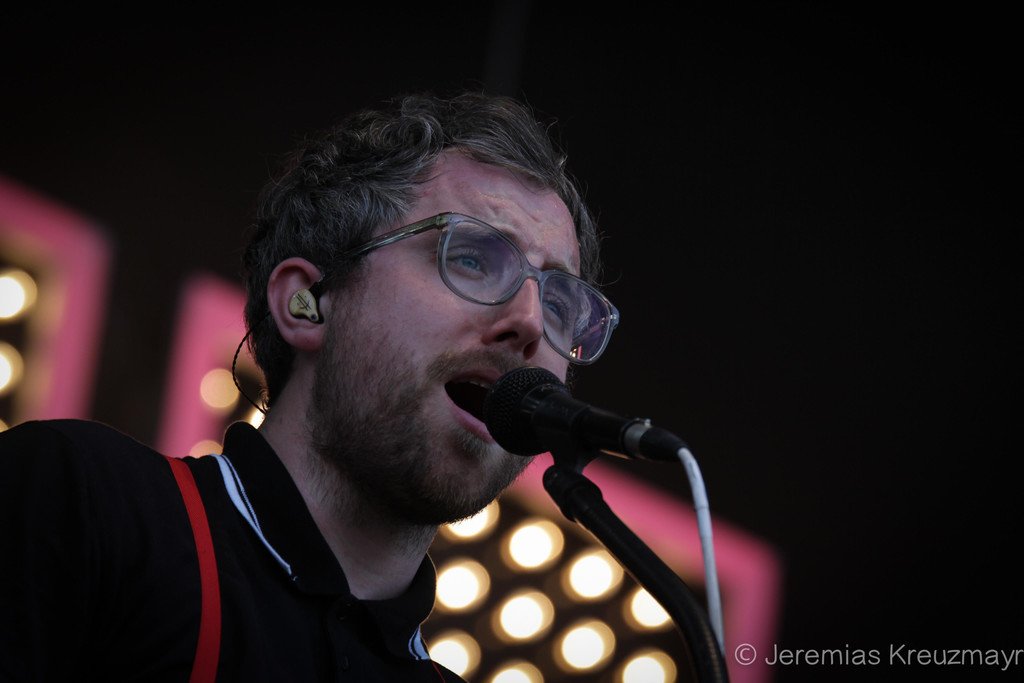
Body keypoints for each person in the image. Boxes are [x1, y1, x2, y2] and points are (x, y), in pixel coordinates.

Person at [0, 91, 619, 681]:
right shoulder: (83, 501)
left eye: (560, 304)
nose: (530, 321)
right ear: (307, 304)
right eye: (472, 259)